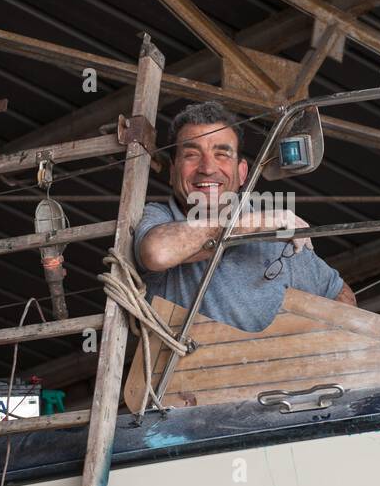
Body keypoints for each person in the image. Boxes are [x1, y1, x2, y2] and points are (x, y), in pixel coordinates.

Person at [134, 102, 356, 333]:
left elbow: (339, 293)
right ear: (172, 172)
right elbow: (156, 253)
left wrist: (304, 353)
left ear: (242, 173)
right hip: (182, 367)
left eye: (221, 154)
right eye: (191, 154)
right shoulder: (160, 218)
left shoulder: (276, 233)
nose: (207, 168)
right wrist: (249, 225)